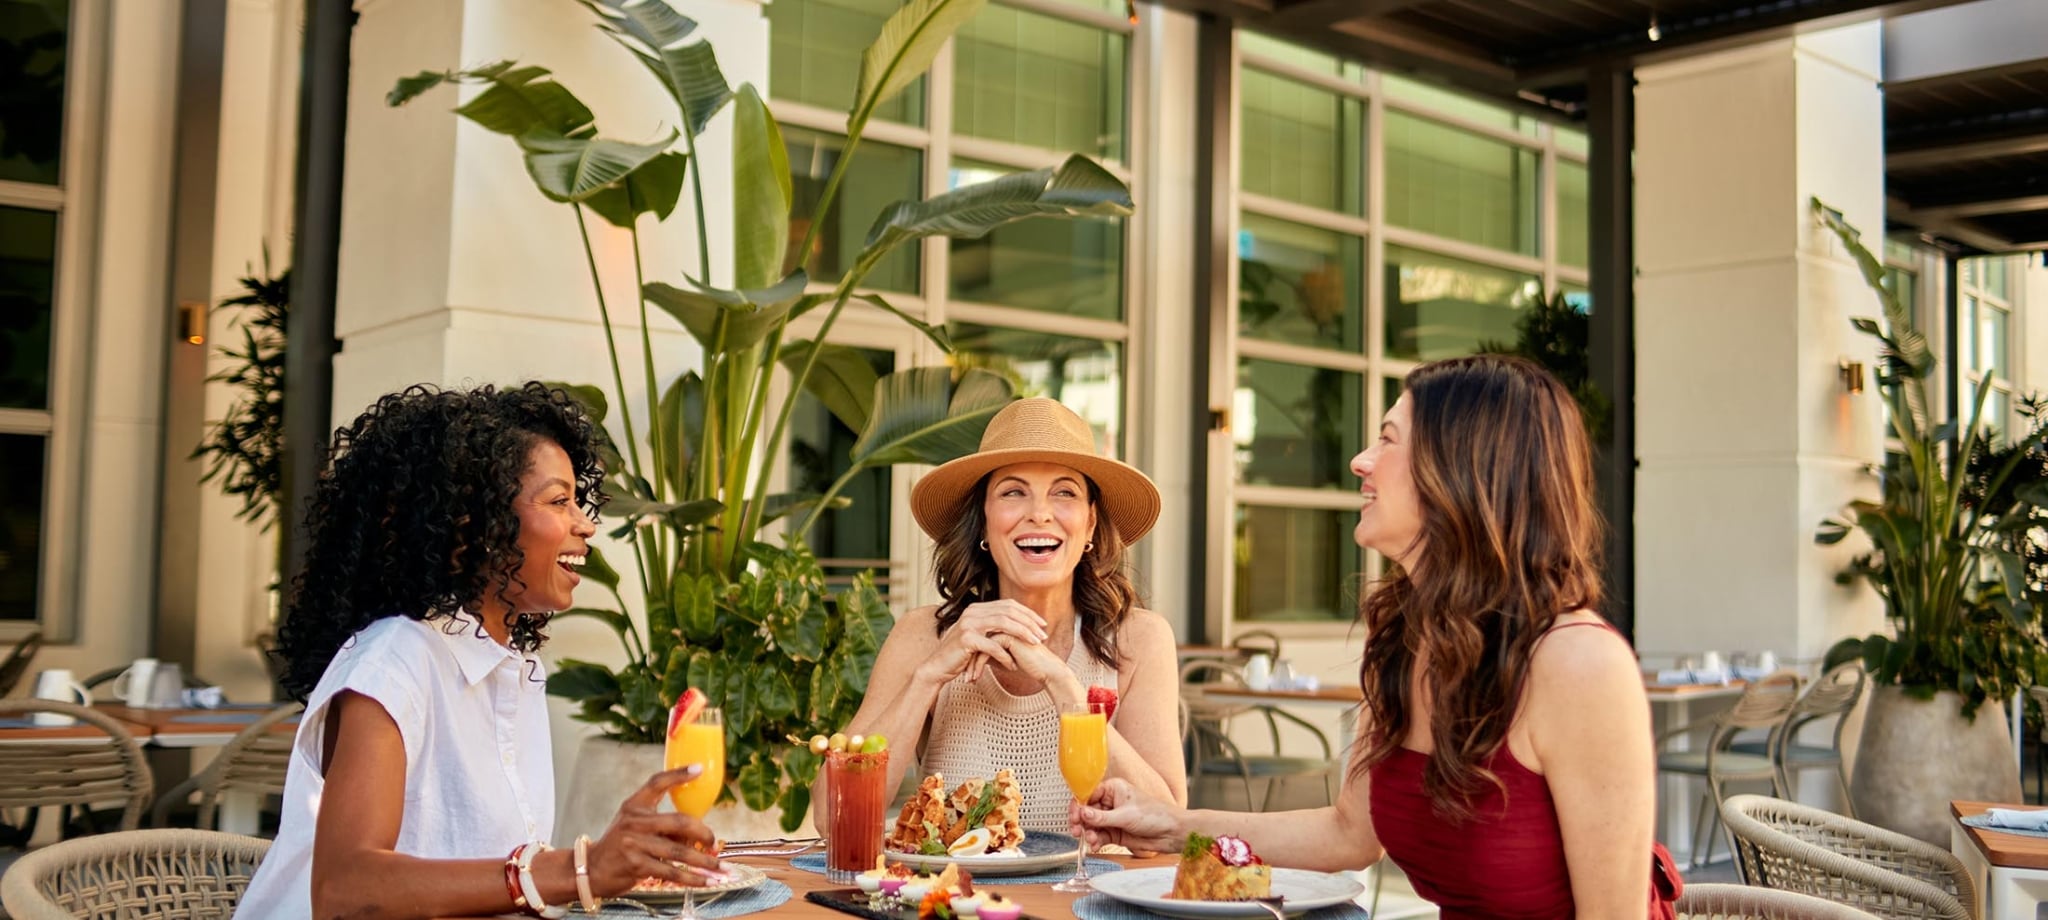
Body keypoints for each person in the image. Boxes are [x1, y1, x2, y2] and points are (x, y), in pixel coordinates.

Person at [1074, 355, 1678, 919]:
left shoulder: (1579, 663)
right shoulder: (1406, 639)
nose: (1360, 461)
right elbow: (1347, 833)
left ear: (1464, 469)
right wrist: (1171, 825)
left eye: (1388, 440)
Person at [237, 383, 722, 920]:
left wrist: (605, 866)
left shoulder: (514, 668)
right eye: (559, 501)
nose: (585, 525)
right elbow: (346, 893)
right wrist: (572, 869)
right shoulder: (396, 659)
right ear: (474, 522)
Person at [832, 397, 1188, 831]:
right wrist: (926, 677)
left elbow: (1169, 825)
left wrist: (1065, 689)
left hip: (1088, 897)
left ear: (1091, 524)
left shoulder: (1139, 640)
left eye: (1064, 492)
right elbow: (834, 819)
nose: (1039, 513)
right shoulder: (924, 635)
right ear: (983, 521)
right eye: (1014, 492)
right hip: (953, 896)